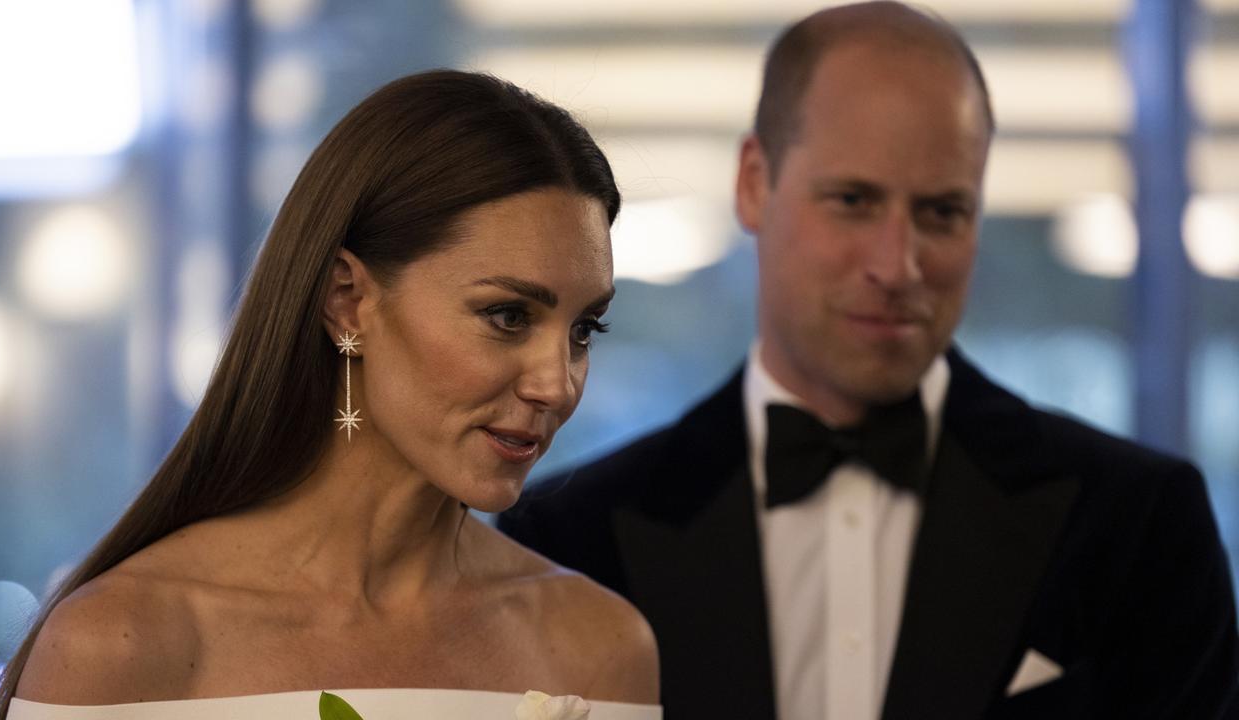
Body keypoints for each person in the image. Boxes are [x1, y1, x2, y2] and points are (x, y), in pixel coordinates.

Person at [499, 3, 1239, 719]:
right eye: (853, 200)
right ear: (754, 183)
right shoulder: (567, 537)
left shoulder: (1141, 525)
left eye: (942, 212)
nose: (898, 265)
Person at [0, 70, 660, 720]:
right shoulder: (121, 642)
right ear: (349, 301)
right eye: (508, 316)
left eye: (582, 330)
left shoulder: (596, 646)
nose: (557, 383)